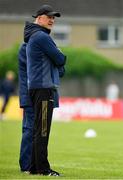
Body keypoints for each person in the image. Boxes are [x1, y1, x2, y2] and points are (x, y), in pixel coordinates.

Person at [23, 4, 66, 176]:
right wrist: (59, 56)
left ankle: (34, 167)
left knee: (37, 130)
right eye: (49, 17)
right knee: (42, 130)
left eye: (54, 18)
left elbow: (57, 61)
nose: (52, 20)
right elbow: (60, 59)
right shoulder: (41, 36)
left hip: (36, 87)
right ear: (39, 18)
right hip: (43, 88)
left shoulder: (34, 36)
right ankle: (43, 169)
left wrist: (58, 59)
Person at [18, 43, 34, 172]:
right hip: (30, 95)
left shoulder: (26, 46)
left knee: (28, 129)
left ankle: (27, 164)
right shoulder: (27, 47)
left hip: (27, 94)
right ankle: (26, 165)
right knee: (30, 129)